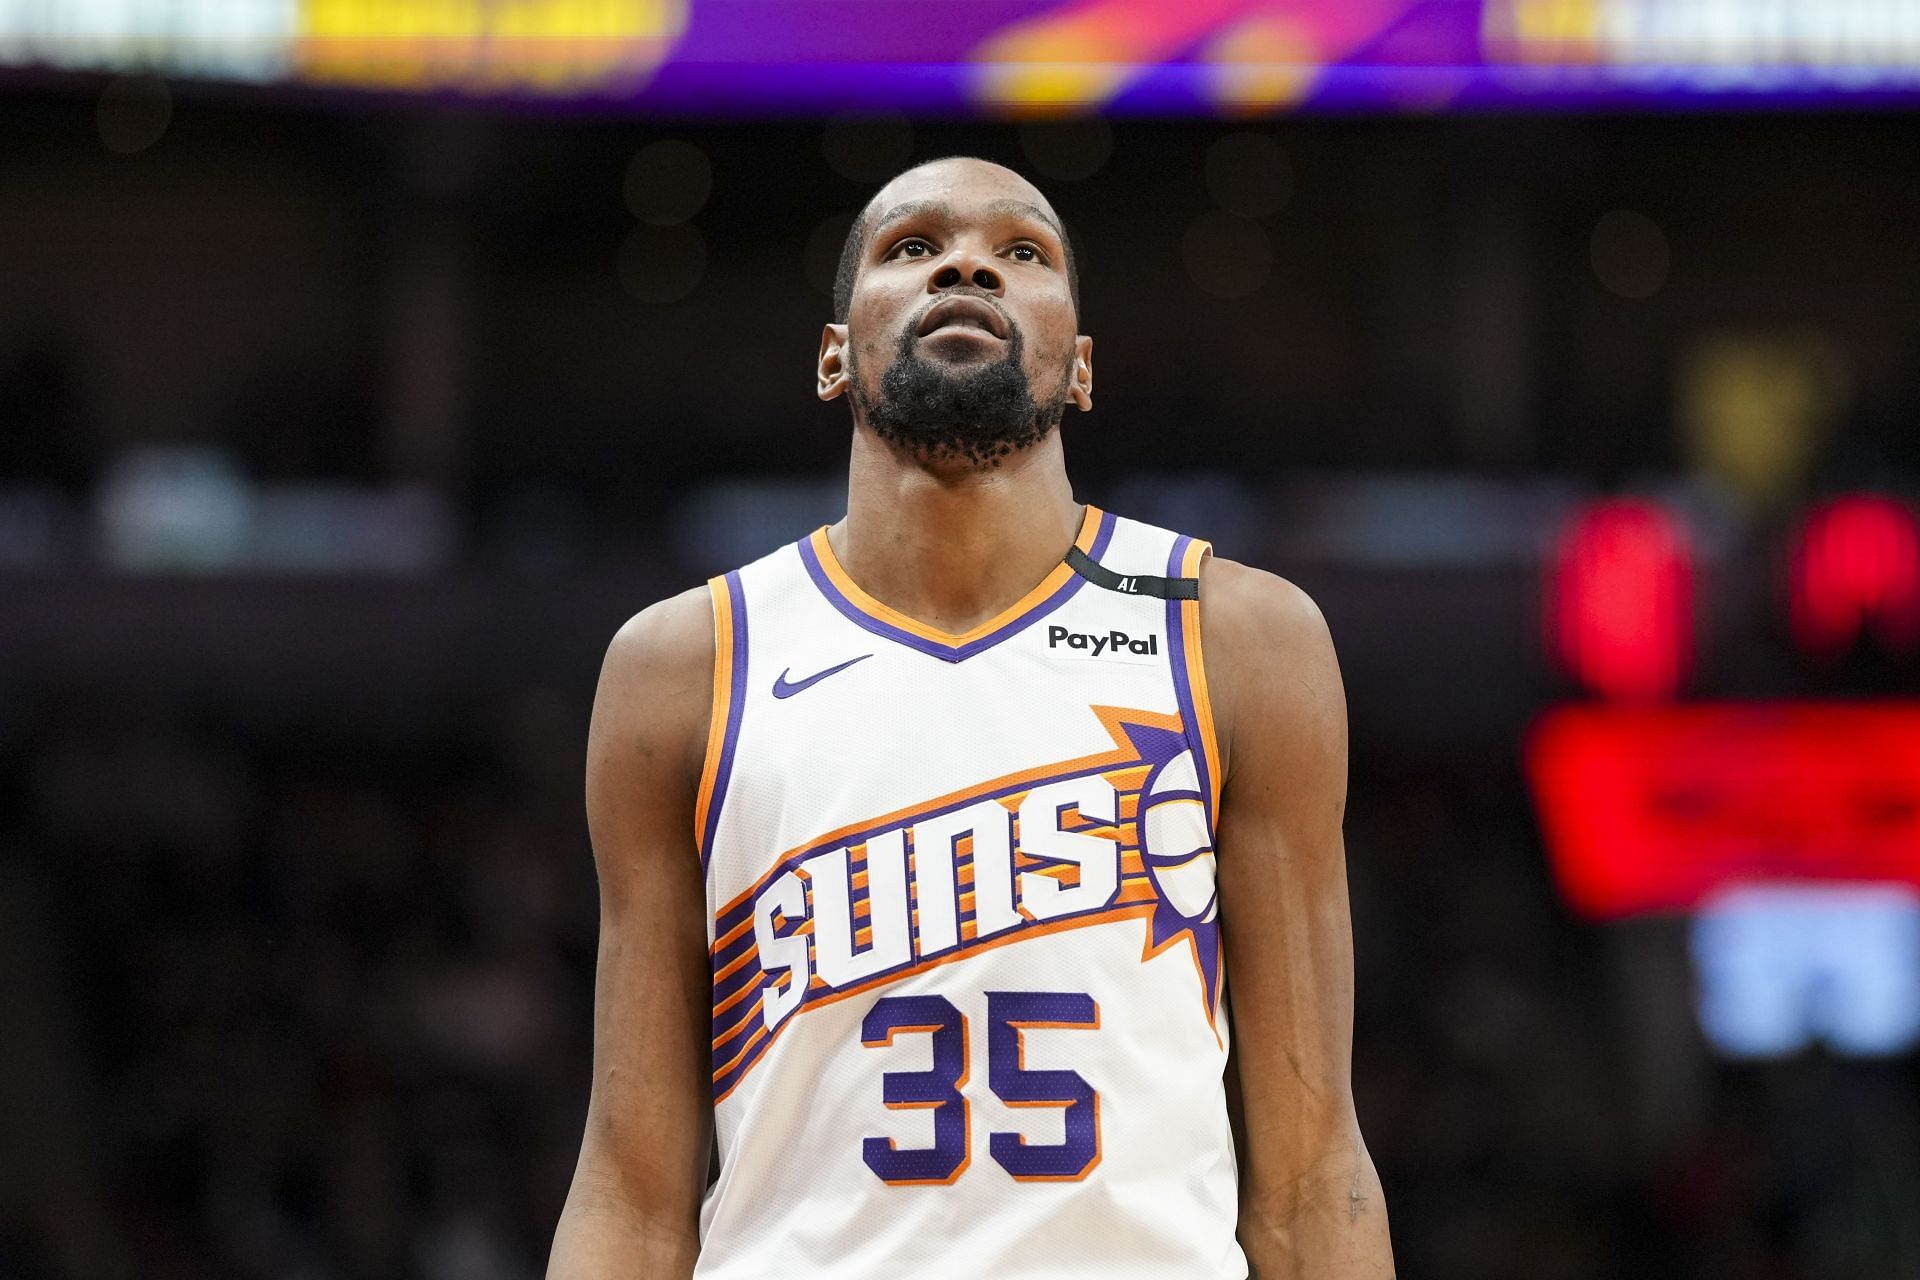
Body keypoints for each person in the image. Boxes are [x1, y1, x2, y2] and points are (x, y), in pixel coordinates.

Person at [547, 156, 1394, 1279]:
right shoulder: (682, 665)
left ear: (1080, 367)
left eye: (1021, 252)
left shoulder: (1239, 637)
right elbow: (630, 1183)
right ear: (833, 352)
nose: (966, 262)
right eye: (911, 247)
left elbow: (1309, 1169)